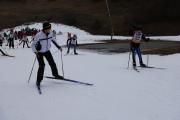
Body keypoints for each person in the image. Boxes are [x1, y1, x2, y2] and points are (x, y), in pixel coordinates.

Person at [31, 22, 64, 88]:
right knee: (42, 65)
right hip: (39, 52)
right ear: (44, 29)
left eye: (49, 28)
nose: (48, 30)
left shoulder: (51, 33)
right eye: (47, 29)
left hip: (47, 51)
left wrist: (59, 47)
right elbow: (33, 45)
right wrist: (36, 52)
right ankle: (38, 81)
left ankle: (55, 75)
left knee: (52, 63)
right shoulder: (39, 35)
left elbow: (53, 40)